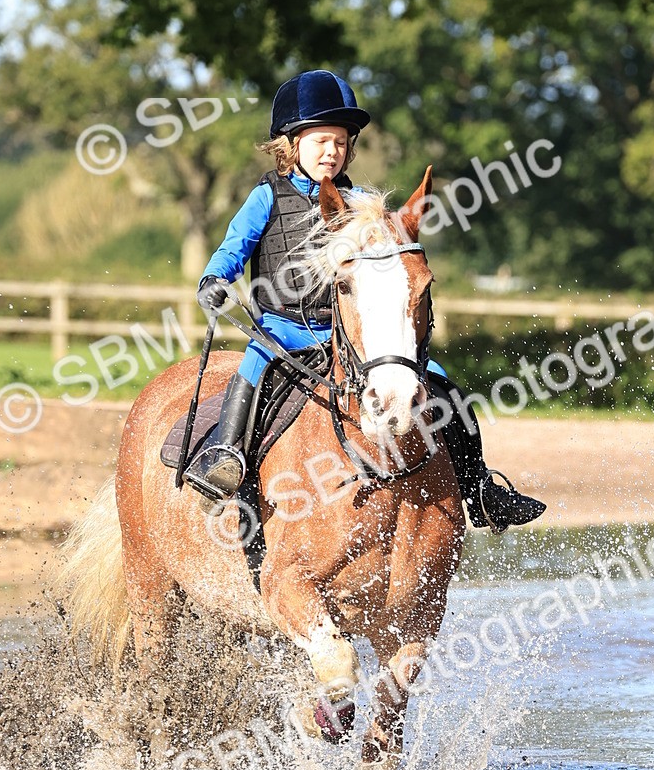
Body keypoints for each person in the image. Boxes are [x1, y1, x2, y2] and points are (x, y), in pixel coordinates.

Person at [185, 69, 545, 531]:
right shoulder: (265, 198)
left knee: (442, 382)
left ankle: (479, 488)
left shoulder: (360, 204)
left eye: (340, 142)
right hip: (281, 331)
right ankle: (226, 457)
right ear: (290, 144)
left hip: (349, 335)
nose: (331, 152)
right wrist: (215, 277)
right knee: (251, 373)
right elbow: (234, 248)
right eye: (321, 141)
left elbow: (392, 258)